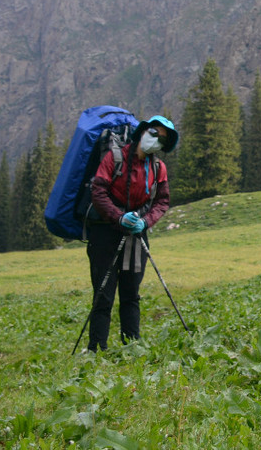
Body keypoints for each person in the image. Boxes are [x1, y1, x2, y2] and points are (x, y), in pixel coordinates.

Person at [86, 115, 177, 350]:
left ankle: (131, 347)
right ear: (144, 131)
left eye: (162, 140)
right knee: (103, 293)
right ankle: (96, 349)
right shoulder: (114, 157)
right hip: (104, 232)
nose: (156, 141)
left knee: (131, 292)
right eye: (154, 133)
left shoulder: (158, 167)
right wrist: (118, 217)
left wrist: (145, 222)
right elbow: (98, 191)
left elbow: (162, 201)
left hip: (136, 234)